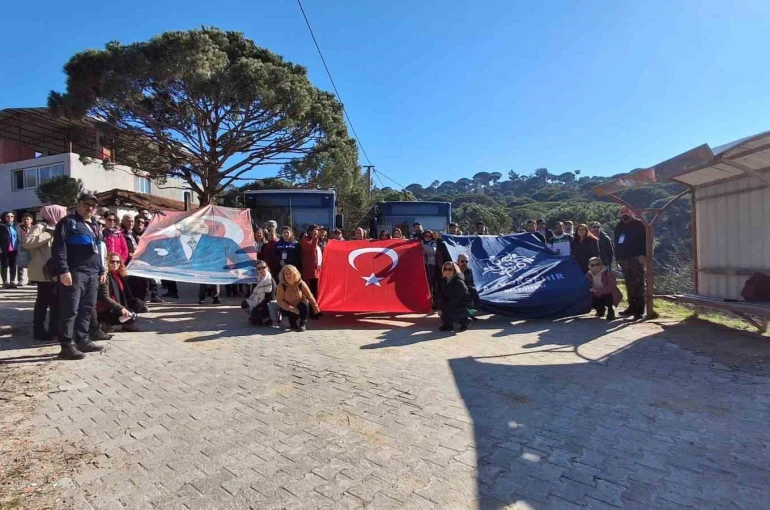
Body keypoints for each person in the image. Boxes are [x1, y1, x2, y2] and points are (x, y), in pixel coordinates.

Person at [51, 193, 106, 360]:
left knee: (87, 308)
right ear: (78, 204)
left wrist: (102, 270)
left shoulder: (95, 224)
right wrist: (63, 270)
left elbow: (99, 249)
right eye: (86, 204)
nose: (90, 208)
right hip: (75, 272)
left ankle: (83, 340)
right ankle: (66, 346)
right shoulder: (68, 222)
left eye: (93, 205)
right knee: (70, 310)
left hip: (93, 273)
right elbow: (59, 248)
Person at [24, 205, 67, 341]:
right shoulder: (41, 226)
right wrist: (48, 234)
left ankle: (54, 330)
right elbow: (27, 242)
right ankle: (39, 330)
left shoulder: (62, 227)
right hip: (44, 273)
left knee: (56, 303)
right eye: (62, 213)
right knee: (43, 302)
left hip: (57, 271)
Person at [614, 206, 647, 320]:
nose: (624, 214)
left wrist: (644, 254)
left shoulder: (639, 224)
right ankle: (631, 307)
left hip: (637, 258)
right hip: (624, 260)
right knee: (629, 284)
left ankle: (639, 311)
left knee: (638, 284)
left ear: (631, 212)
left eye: (626, 211)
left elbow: (646, 240)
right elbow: (616, 243)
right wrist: (618, 258)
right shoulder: (619, 226)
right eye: (622, 212)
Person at [97, 253, 143, 332]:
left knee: (137, 303)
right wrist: (121, 308)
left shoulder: (118, 274)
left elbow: (125, 294)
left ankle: (123, 323)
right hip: (107, 307)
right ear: (107, 262)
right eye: (112, 261)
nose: (115, 264)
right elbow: (104, 298)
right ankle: (106, 323)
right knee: (131, 317)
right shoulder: (105, 277)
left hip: (118, 303)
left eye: (118, 262)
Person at [277, 265, 320, 332]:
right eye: (286, 274)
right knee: (293, 324)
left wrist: (315, 307)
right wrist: (291, 308)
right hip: (288, 307)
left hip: (300, 304)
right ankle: (293, 323)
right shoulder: (281, 285)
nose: (288, 275)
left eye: (290, 273)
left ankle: (303, 323)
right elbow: (280, 300)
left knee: (304, 305)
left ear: (294, 273)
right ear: (283, 275)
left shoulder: (301, 283)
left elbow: (309, 295)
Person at [436, 262, 472, 332]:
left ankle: (465, 321)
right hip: (456, 305)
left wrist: (444, 309)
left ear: (454, 270)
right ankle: (448, 325)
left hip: (468, 308)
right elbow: (441, 295)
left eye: (450, 269)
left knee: (447, 311)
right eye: (445, 269)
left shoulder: (459, 282)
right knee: (443, 311)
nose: (447, 271)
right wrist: (439, 307)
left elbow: (456, 299)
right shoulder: (443, 281)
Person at [242, 261, 278, 326]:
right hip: (259, 302)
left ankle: (268, 318)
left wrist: (258, 307)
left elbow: (270, 297)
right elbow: (254, 293)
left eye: (263, 267)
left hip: (269, 304)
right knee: (245, 304)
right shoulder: (258, 279)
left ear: (267, 268)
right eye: (259, 268)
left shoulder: (270, 280)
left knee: (256, 320)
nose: (261, 270)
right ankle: (257, 316)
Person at [586, 257, 621, 321]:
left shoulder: (607, 273)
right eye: (592, 265)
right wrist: (590, 289)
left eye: (597, 264)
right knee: (589, 298)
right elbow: (586, 286)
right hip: (595, 294)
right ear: (589, 266)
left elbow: (611, 286)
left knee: (608, 297)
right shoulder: (587, 275)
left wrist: (599, 291)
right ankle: (600, 309)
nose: (595, 266)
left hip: (607, 294)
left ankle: (610, 310)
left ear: (601, 265)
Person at [300, 225, 322, 297]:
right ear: (310, 231)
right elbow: (312, 249)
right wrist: (315, 238)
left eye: (318, 230)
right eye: (316, 230)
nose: (317, 232)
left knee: (316, 290)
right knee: (311, 290)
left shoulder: (318, 240)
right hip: (309, 270)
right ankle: (311, 306)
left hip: (317, 270)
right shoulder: (305, 239)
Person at [0, 211, 20, 288]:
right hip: (4, 249)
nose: (10, 218)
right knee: (4, 265)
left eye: (12, 216)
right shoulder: (1, 226)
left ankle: (12, 281)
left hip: (14, 249)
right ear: (4, 217)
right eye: (8, 216)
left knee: (13, 265)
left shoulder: (15, 226)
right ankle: (5, 282)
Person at [422, 230, 441, 305]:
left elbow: (432, 251)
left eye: (429, 236)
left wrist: (423, 246)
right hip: (422, 265)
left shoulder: (433, 243)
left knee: (431, 283)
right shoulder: (420, 243)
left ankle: (432, 302)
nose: (427, 237)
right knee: (424, 284)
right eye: (426, 236)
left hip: (431, 265)